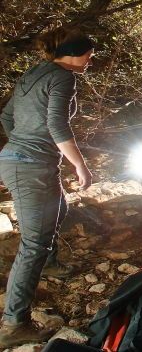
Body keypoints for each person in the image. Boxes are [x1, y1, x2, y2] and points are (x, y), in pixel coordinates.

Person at [0, 28, 95, 347]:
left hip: (17, 158)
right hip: (30, 164)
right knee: (33, 243)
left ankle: (51, 265)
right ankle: (14, 323)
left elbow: (7, 116)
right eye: (88, 55)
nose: (90, 60)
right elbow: (57, 123)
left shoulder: (34, 73)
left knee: (60, 207)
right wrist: (79, 164)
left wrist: (21, 143)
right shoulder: (64, 77)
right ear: (73, 54)